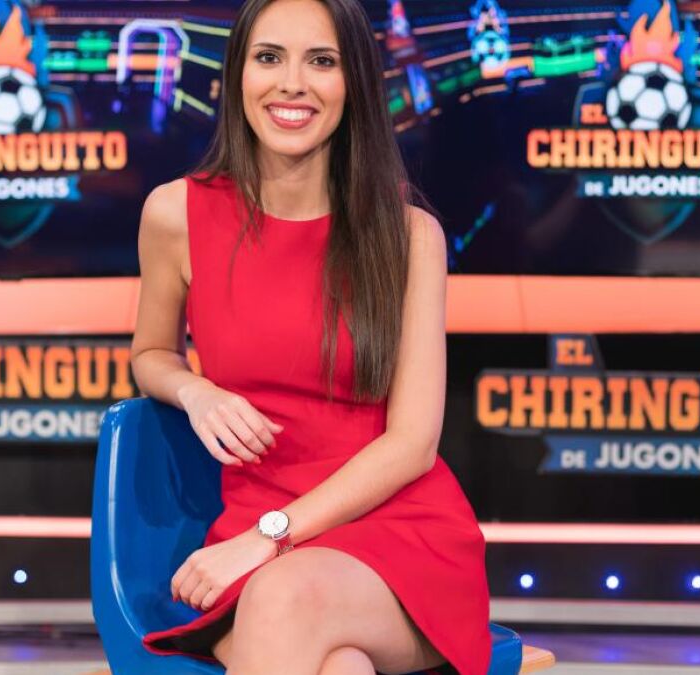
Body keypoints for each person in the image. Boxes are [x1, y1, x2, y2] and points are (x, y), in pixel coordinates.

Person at [130, 0, 490, 672]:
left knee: (283, 598)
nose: (291, 83)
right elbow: (150, 354)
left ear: (353, 82)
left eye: (321, 61)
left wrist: (268, 538)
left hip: (395, 537)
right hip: (255, 532)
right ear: (238, 74)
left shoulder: (410, 237)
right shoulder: (175, 213)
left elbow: (412, 444)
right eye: (270, 57)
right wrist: (196, 391)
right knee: (337, 664)